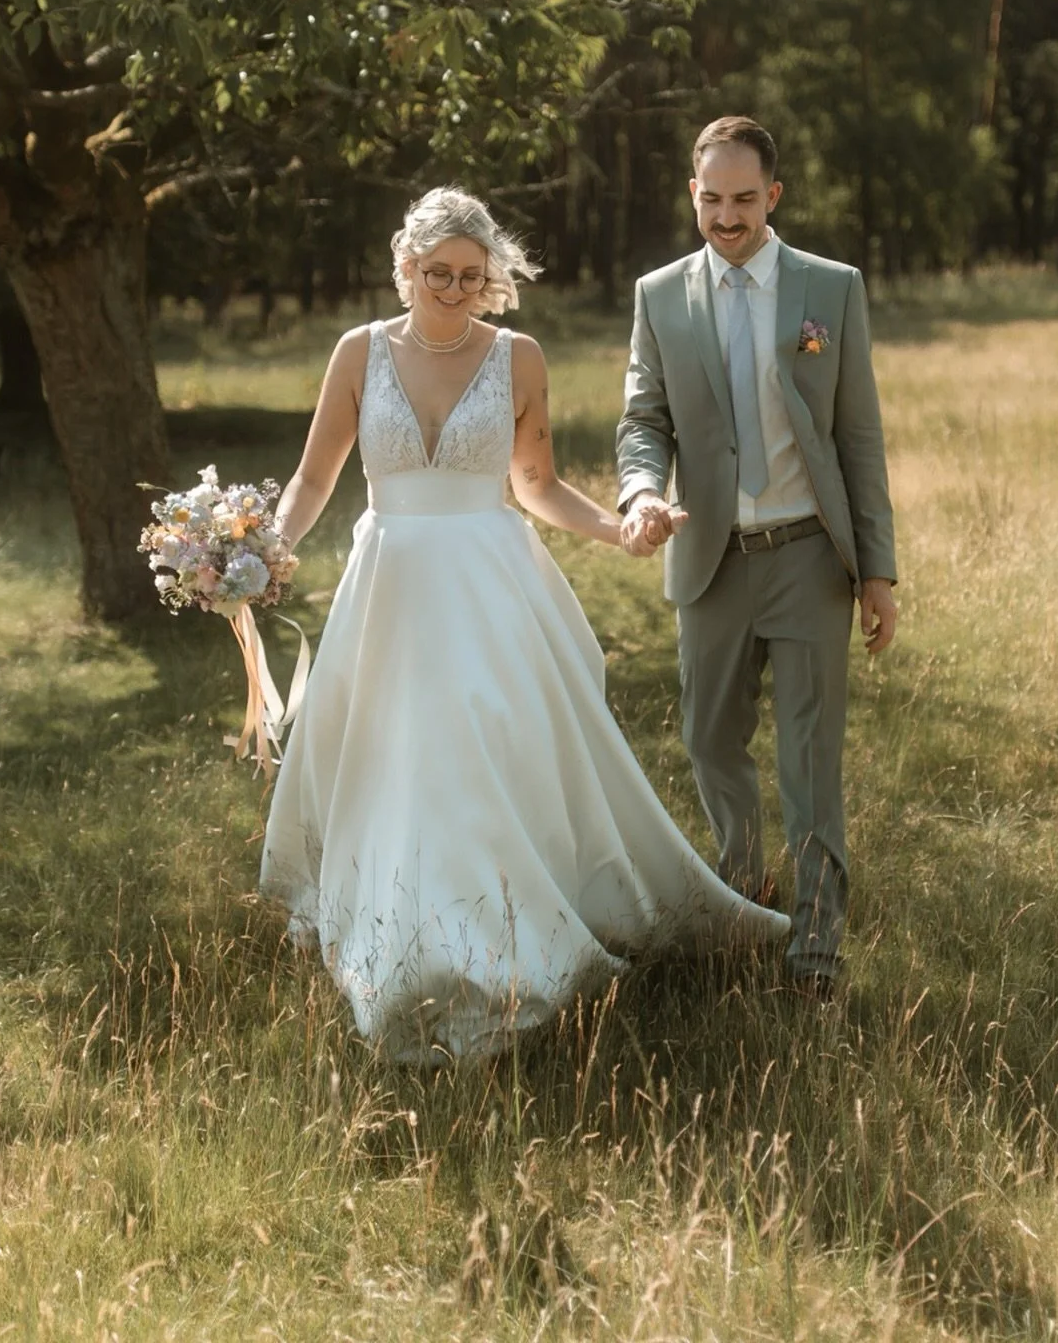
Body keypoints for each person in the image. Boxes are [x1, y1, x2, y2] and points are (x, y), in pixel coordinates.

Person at [260, 187, 787, 1061]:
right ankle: (395, 928)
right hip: (388, 581)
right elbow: (315, 478)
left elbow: (535, 484)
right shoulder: (358, 354)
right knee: (389, 754)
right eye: (439, 276)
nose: (456, 293)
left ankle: (491, 936)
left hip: (485, 583)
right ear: (404, 268)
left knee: (472, 749)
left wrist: (619, 527)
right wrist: (269, 549)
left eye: (474, 278)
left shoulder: (519, 358)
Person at [616, 116, 898, 999]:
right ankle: (745, 902)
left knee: (810, 759)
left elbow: (859, 438)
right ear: (691, 195)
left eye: (744, 199)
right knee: (708, 742)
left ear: (773, 196)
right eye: (711, 198)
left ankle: (814, 952)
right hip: (709, 558)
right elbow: (642, 420)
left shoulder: (831, 288)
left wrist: (878, 573)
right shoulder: (659, 296)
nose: (727, 216)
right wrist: (640, 493)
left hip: (811, 556)